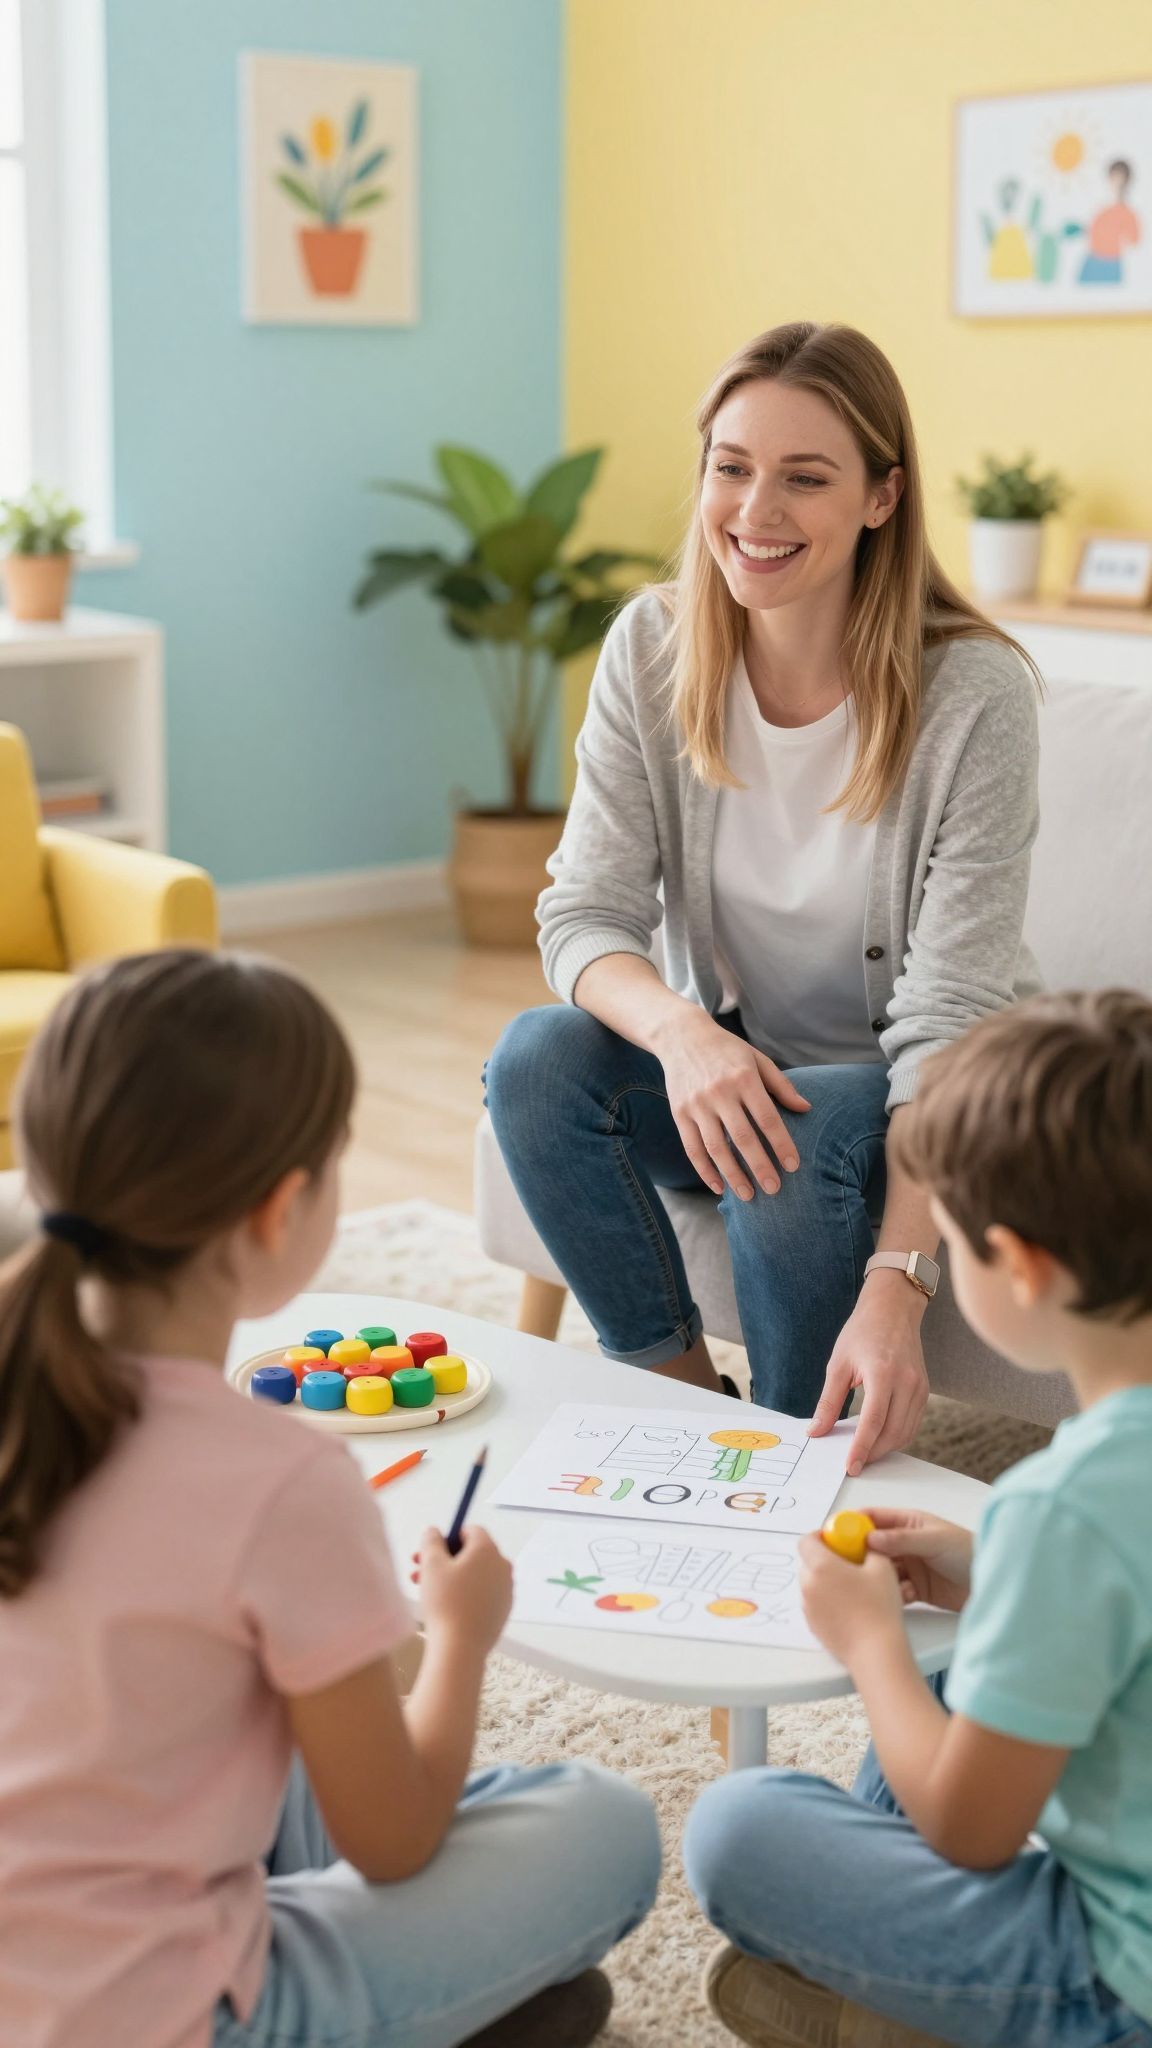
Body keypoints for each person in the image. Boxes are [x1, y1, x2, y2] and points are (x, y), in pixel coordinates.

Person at [0, 950, 660, 2048]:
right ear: (280, 1209)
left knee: (278, 1728)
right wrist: (457, 1636)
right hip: (168, 2014)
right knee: (602, 1822)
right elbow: (392, 1841)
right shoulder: (275, 1477)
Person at [486, 320, 1041, 1473]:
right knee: (537, 1061)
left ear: (884, 497)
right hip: (742, 1071)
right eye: (731, 467)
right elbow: (581, 911)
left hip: (913, 1109)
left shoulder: (975, 695)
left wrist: (900, 1282)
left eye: (805, 476)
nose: (756, 509)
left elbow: (948, 1028)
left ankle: (790, 1457)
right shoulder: (653, 646)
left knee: (804, 1127)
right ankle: (686, 1406)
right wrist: (684, 1036)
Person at [684, 988, 1152, 2048]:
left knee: (737, 1825)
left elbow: (970, 1830)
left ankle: (908, 2018)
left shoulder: (1064, 1506)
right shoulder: (1074, 1515)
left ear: (1020, 1264)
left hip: (1119, 1988)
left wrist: (872, 1644)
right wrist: (991, 1570)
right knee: (970, 1646)